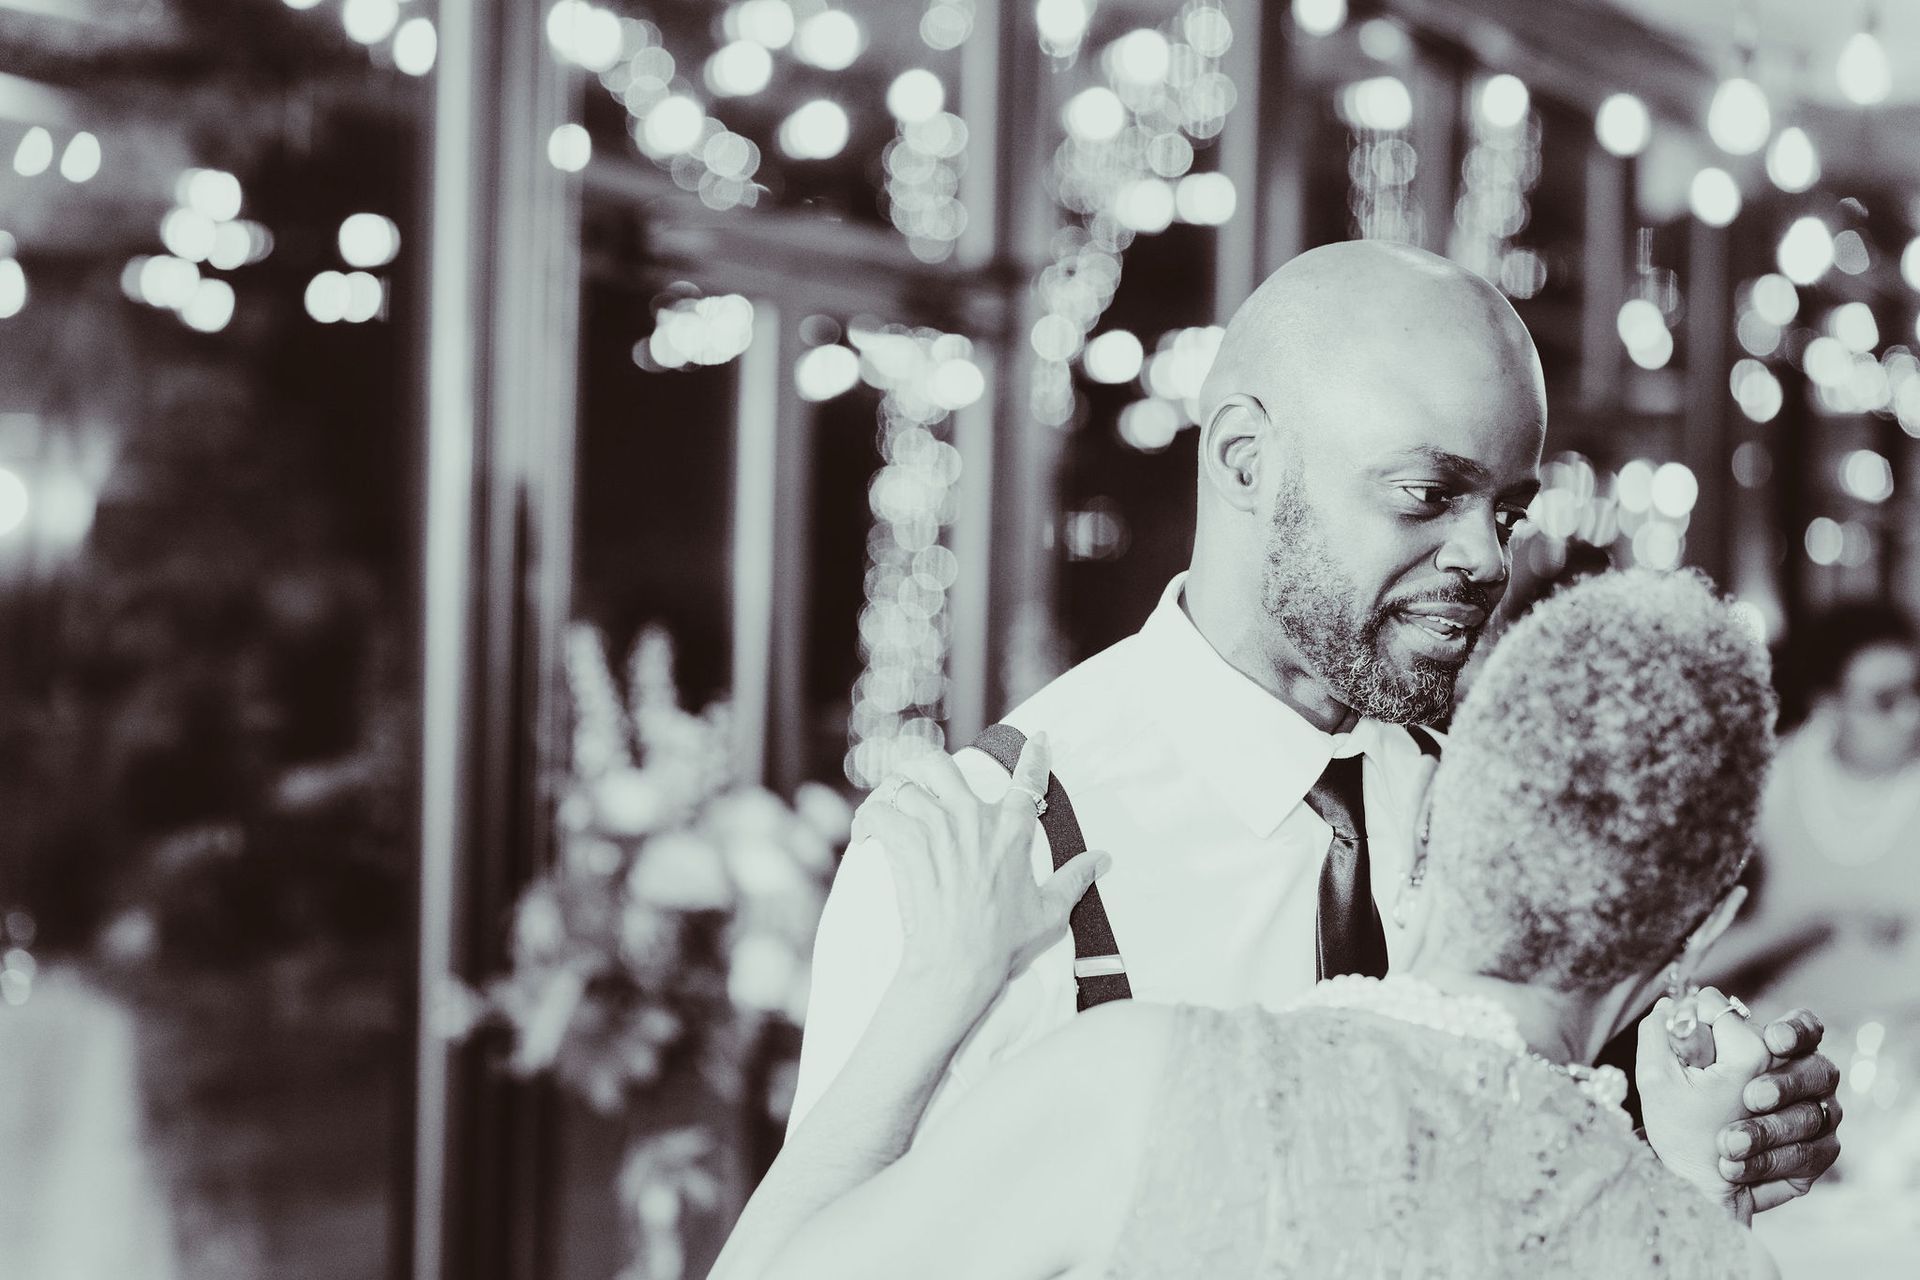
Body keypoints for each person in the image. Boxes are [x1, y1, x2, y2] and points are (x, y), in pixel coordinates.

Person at [784, 241, 1838, 1196]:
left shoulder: (1503, 801)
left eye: (1507, 510)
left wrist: (1687, 1134)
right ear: (1245, 459)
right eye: (1428, 495)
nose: (1485, 558)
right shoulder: (980, 845)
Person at [714, 570, 1796, 1277]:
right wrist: (1702, 1189)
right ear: (1702, 927)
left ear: (1428, 825)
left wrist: (933, 993)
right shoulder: (1690, 1247)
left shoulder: (1144, 1082)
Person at [1709, 603, 1920, 1039]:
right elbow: (1698, 960)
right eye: (1884, 700)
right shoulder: (1767, 787)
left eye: (1916, 690)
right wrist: (1819, 923)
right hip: (1787, 1047)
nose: (1910, 715)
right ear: (1828, 704)